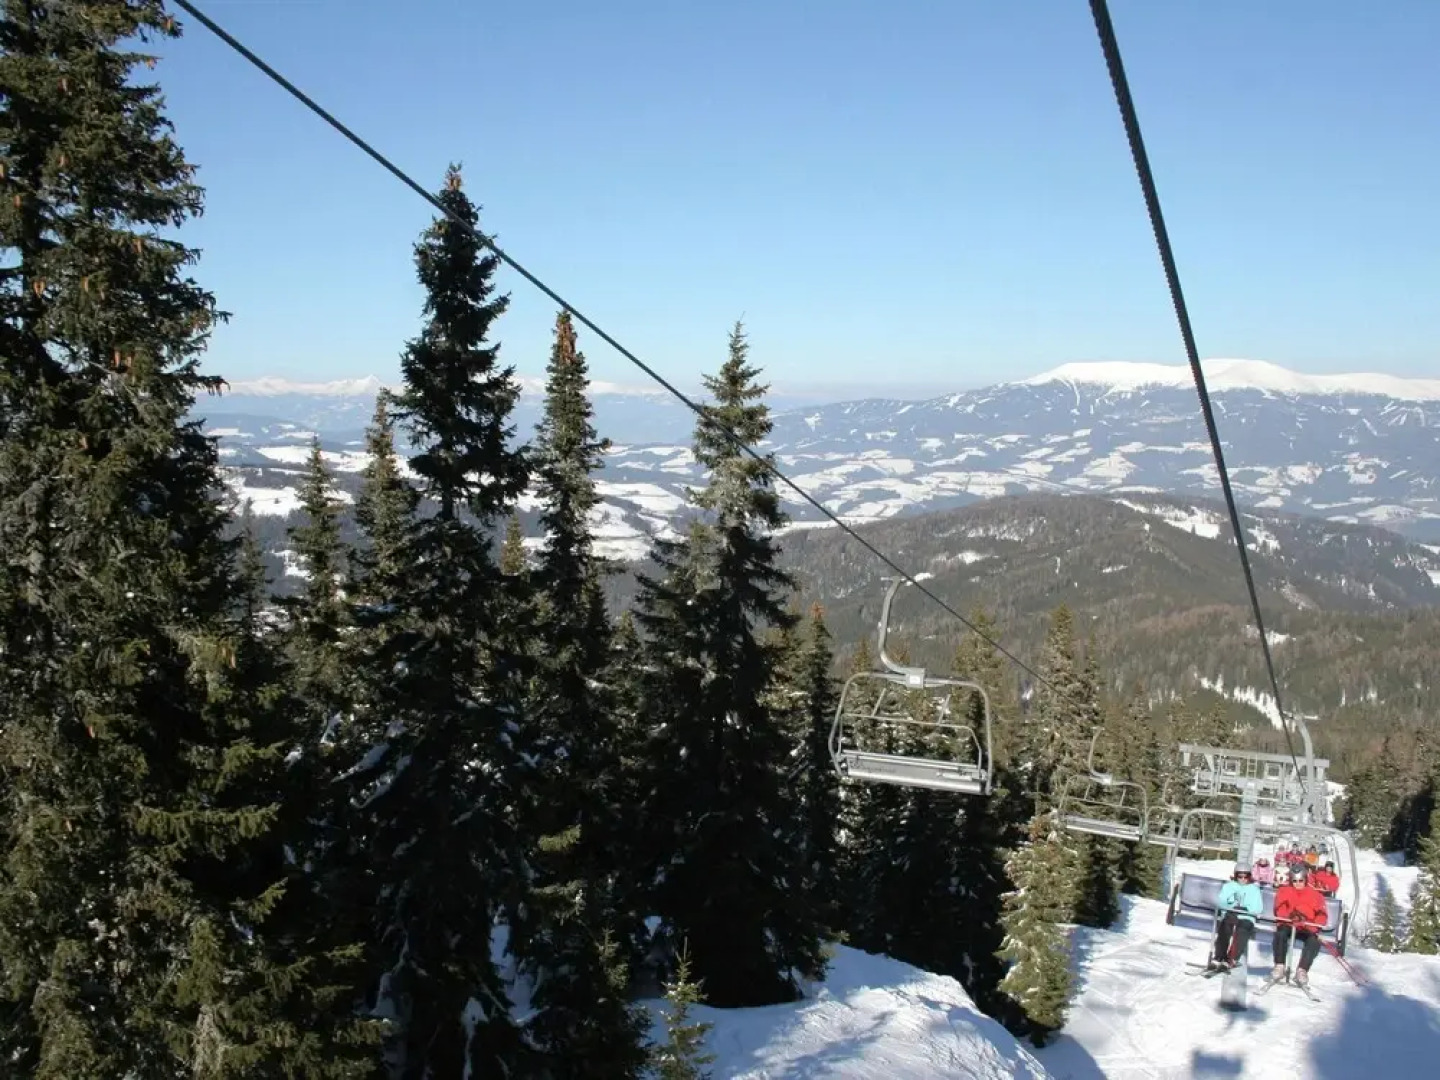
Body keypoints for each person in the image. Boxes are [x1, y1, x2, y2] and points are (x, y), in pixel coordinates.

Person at [1272, 863, 1328, 988]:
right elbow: (1279, 908)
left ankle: (1302, 970)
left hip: (1306, 926)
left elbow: (1322, 915)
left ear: (1305, 880)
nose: (1298, 883)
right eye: (1294, 881)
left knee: (1314, 941)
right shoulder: (1284, 891)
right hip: (1289, 924)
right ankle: (1279, 965)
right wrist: (1290, 917)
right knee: (1280, 934)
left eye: (1300, 881)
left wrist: (1312, 924)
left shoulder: (1315, 895)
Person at [1208, 864, 1264, 970]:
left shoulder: (1254, 889)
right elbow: (1221, 902)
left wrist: (1246, 909)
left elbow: (1258, 908)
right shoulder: (1228, 886)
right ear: (1235, 875)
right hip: (1231, 913)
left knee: (1242, 930)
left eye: (1246, 877)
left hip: (1246, 917)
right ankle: (1219, 956)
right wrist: (1231, 904)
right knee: (1225, 927)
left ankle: (1231, 958)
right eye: (1240, 876)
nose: (1243, 879)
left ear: (1249, 876)